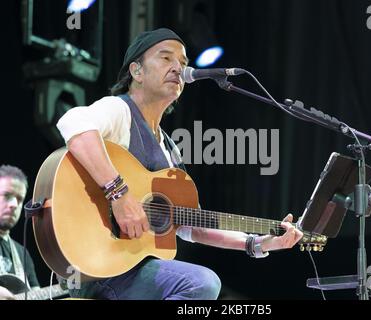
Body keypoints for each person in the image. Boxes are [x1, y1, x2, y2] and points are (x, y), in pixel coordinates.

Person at [56, 27, 303, 300]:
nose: (178, 68)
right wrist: (119, 194)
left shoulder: (169, 150)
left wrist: (258, 243)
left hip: (129, 270)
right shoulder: (119, 111)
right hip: (96, 265)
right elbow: (73, 123)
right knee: (201, 283)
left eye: (183, 63)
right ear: (136, 71)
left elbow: (191, 226)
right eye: (165, 58)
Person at [0, 165, 40, 300]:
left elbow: (36, 293)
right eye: (7, 195)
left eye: (20, 199)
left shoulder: (22, 253)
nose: (14, 204)